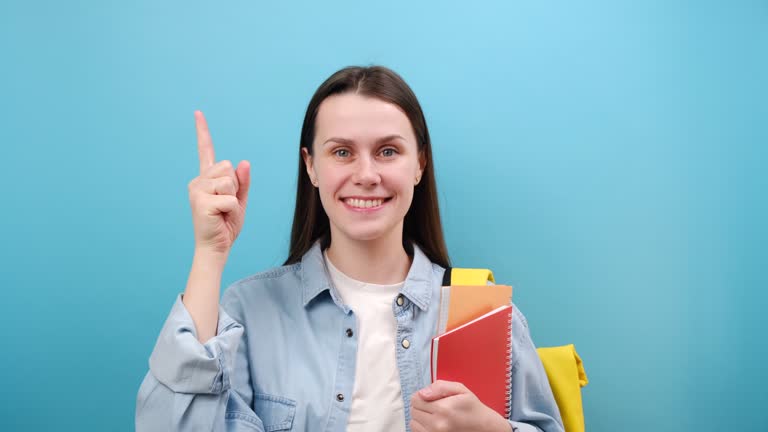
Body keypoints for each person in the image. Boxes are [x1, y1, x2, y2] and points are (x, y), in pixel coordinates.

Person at [135, 65, 564, 432]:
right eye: (341, 152)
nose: (366, 174)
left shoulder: (484, 317)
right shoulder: (249, 311)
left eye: (388, 151)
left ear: (419, 164)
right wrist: (210, 255)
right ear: (311, 166)